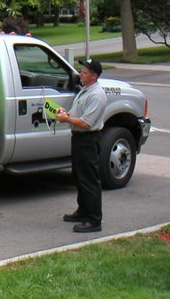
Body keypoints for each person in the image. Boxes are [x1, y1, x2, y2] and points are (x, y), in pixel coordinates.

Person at [55, 58, 107, 233]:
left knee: (89, 180)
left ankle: (94, 220)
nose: (80, 74)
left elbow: (86, 123)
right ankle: (83, 211)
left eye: (84, 72)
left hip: (88, 140)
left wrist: (67, 119)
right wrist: (67, 114)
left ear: (94, 76)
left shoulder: (97, 95)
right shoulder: (86, 90)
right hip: (79, 138)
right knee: (79, 176)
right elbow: (80, 114)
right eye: (81, 71)